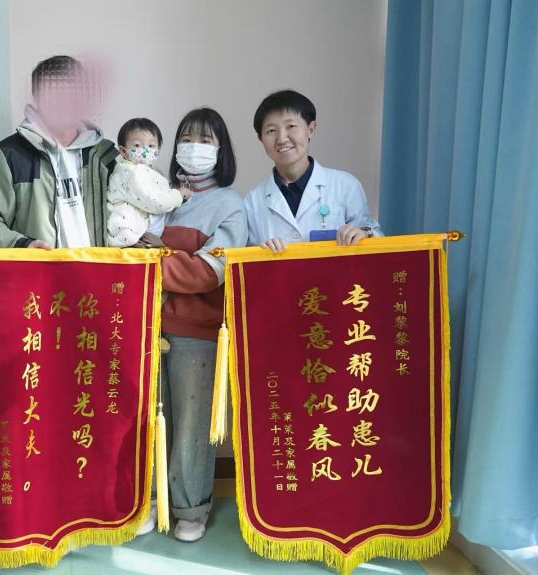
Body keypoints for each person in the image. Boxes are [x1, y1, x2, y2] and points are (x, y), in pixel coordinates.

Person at [137, 108, 248, 542]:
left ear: (221, 150)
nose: (193, 147)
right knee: (148, 419)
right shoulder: (159, 197)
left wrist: (154, 259)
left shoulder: (230, 204)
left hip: (196, 332)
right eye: (186, 138)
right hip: (147, 328)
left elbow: (208, 273)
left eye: (205, 140)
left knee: (189, 424)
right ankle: (149, 500)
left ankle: (189, 507)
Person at [0, 55, 118, 248]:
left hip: (97, 267)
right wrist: (22, 245)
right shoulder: (8, 155)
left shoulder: (105, 156)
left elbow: (132, 211)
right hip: (37, 267)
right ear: (37, 98)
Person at [244, 90, 381, 251]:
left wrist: (364, 234)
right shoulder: (252, 202)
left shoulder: (345, 186)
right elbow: (244, 257)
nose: (281, 138)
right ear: (260, 139)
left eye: (291, 126)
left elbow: (377, 240)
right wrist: (260, 253)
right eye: (271, 131)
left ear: (311, 129)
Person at [106, 117, 187, 247]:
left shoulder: (145, 171)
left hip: (139, 237)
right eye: (137, 145)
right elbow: (155, 201)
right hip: (126, 236)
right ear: (123, 151)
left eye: (151, 146)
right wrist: (178, 195)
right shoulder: (130, 173)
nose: (146, 150)